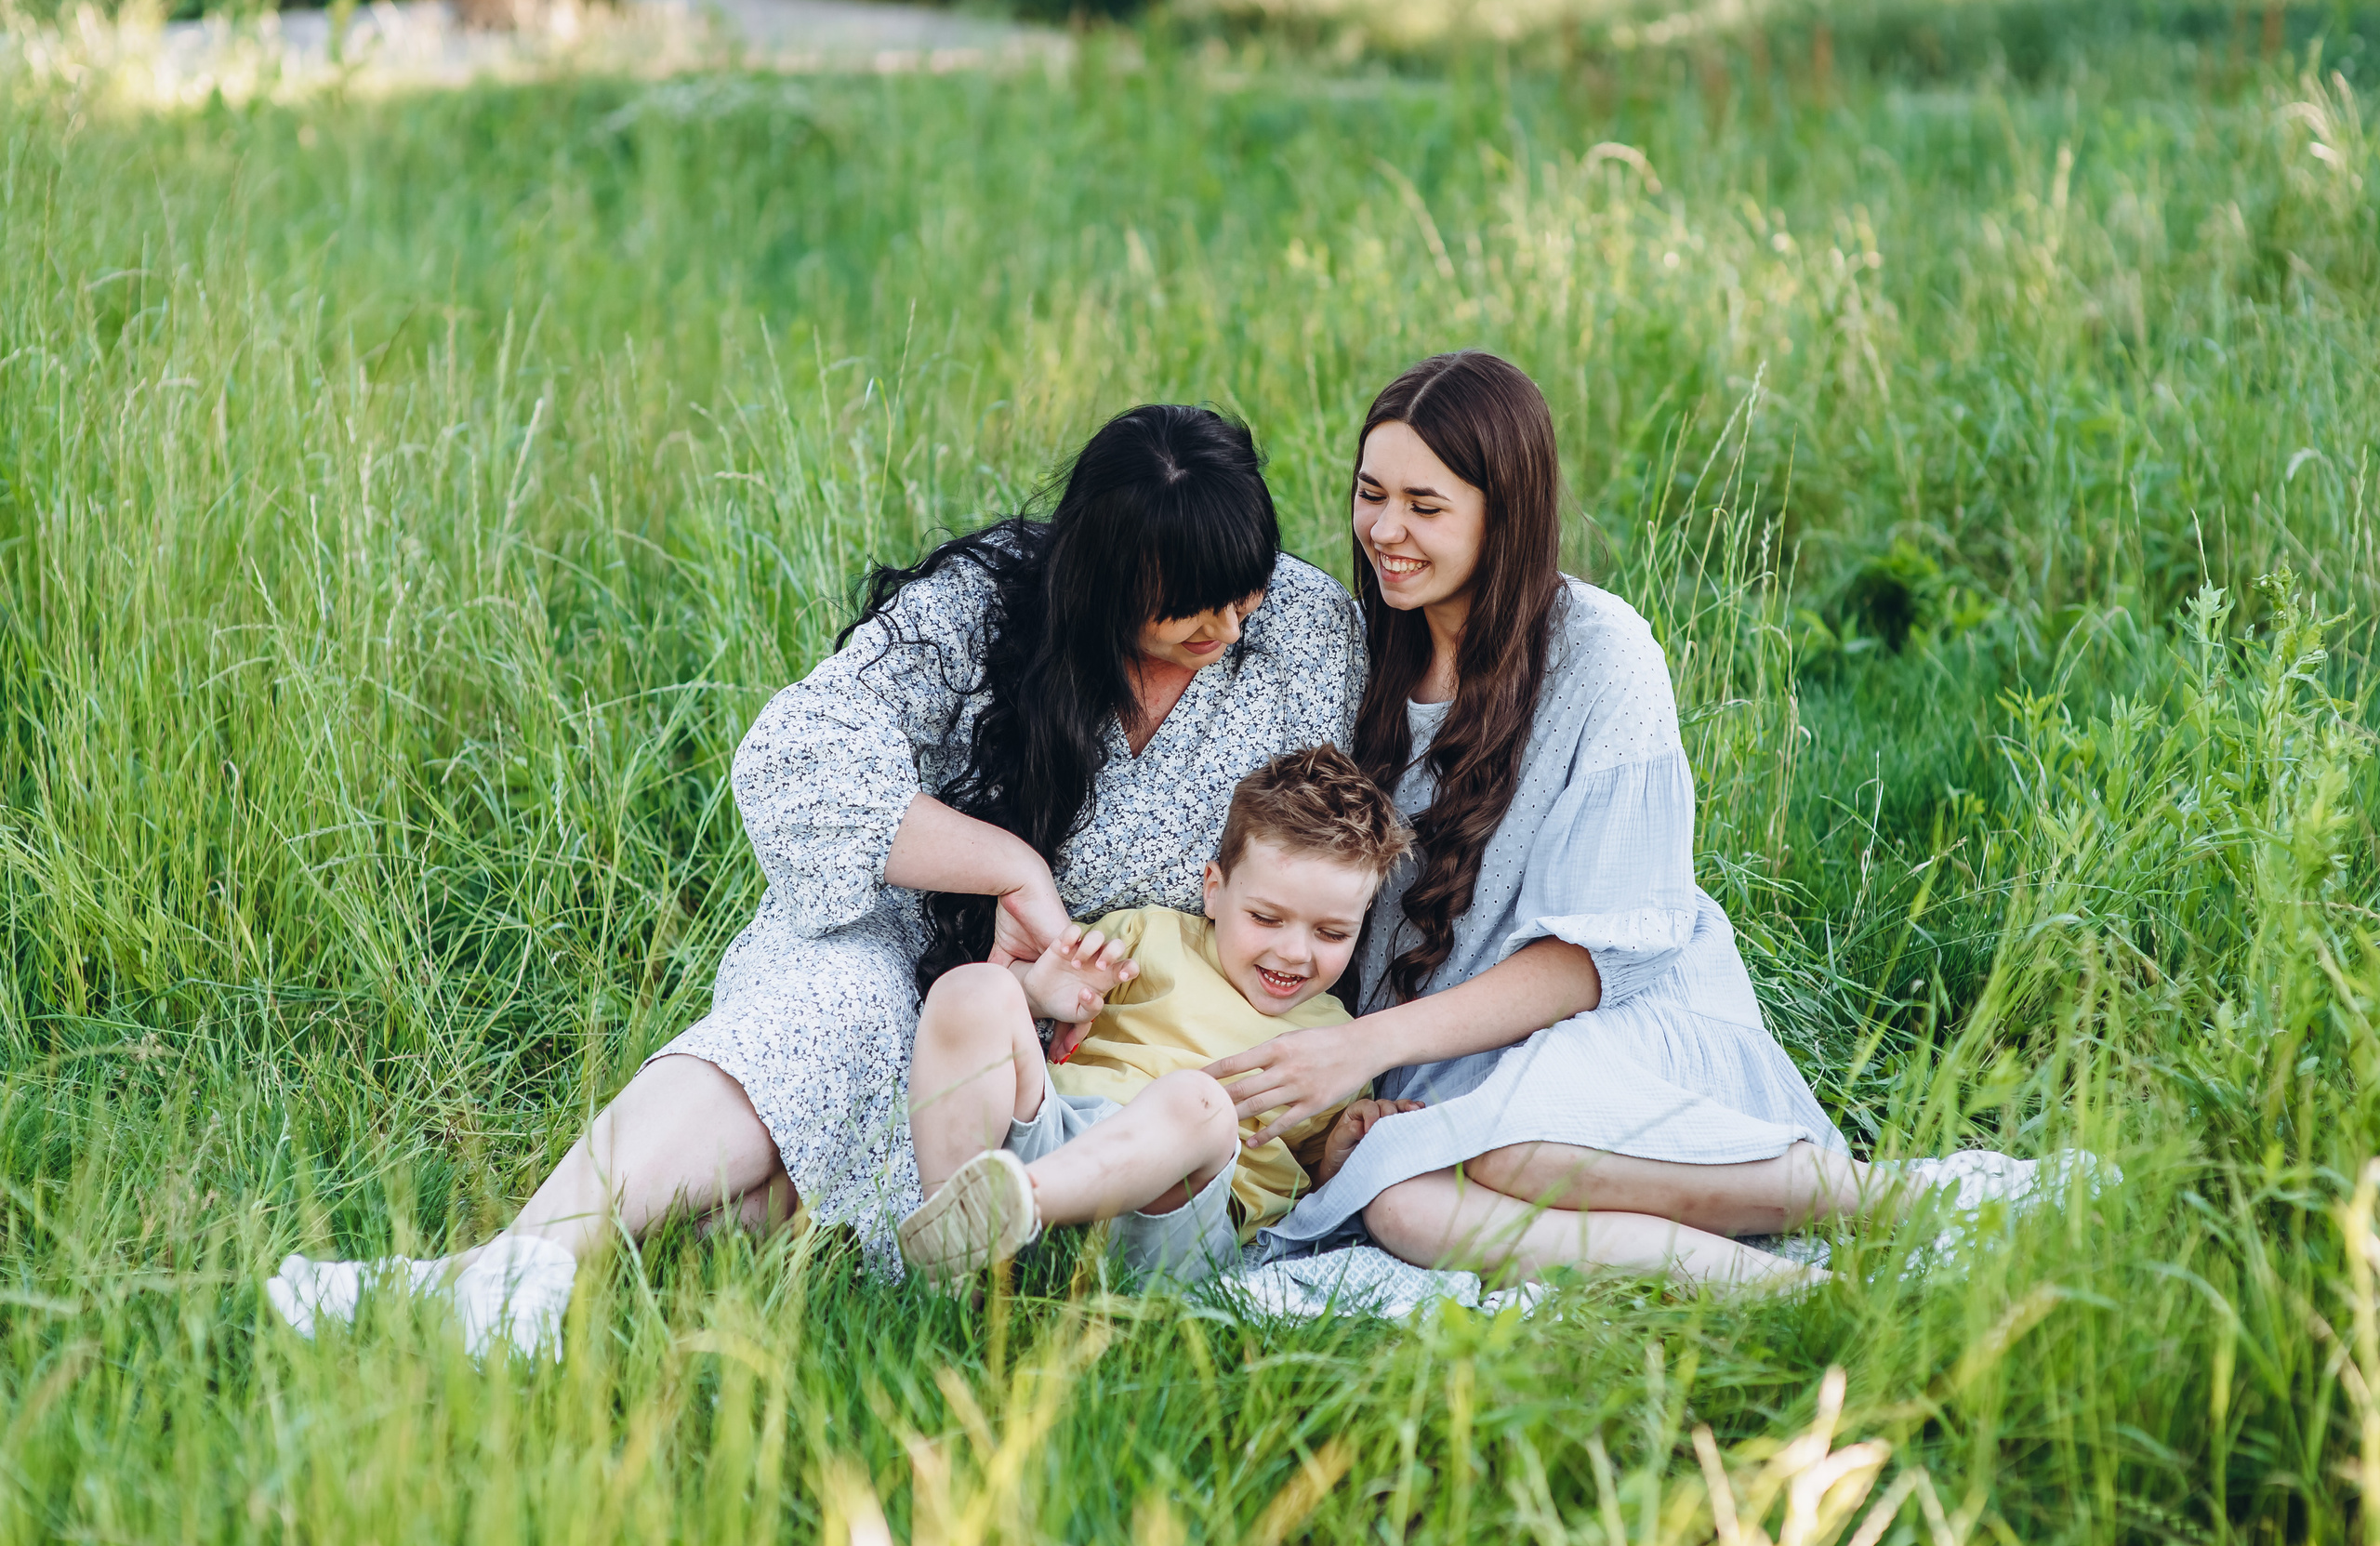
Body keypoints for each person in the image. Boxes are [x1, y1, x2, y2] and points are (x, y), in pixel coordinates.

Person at [269, 404, 1365, 1356]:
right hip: (914, 942)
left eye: (1246, 594)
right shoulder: (985, 614)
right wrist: (1007, 864)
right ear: (1106, 583)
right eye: (1191, 609)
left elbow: (1327, 845)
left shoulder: (1299, 632)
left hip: (1097, 1039)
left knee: (747, 1208)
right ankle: (521, 1265)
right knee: (827, 1012)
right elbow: (797, 756)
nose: (1228, 627)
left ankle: (477, 1282)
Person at [1208, 351, 2086, 1292]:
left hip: (1612, 1019)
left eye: (1426, 507)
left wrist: (1371, 1044)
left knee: (1515, 1152)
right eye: (1369, 493)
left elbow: (1603, 957)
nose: (1385, 530)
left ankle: (1896, 1200)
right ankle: (1794, 1295)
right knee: (1399, 1202)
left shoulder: (1601, 652)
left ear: (1503, 512)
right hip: (1435, 1055)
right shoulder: (1360, 648)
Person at [897, 746, 1421, 1290]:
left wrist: (1338, 1155)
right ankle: (951, 1258)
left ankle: (1012, 1205)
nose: (1294, 952)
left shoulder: (1339, 1042)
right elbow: (1057, 1000)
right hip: (1062, 1134)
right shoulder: (1150, 936)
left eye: (1332, 933)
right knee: (974, 988)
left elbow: (1308, 1187)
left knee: (1199, 1102)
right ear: (1214, 891)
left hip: (1172, 1215)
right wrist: (1040, 993)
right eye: (1267, 918)